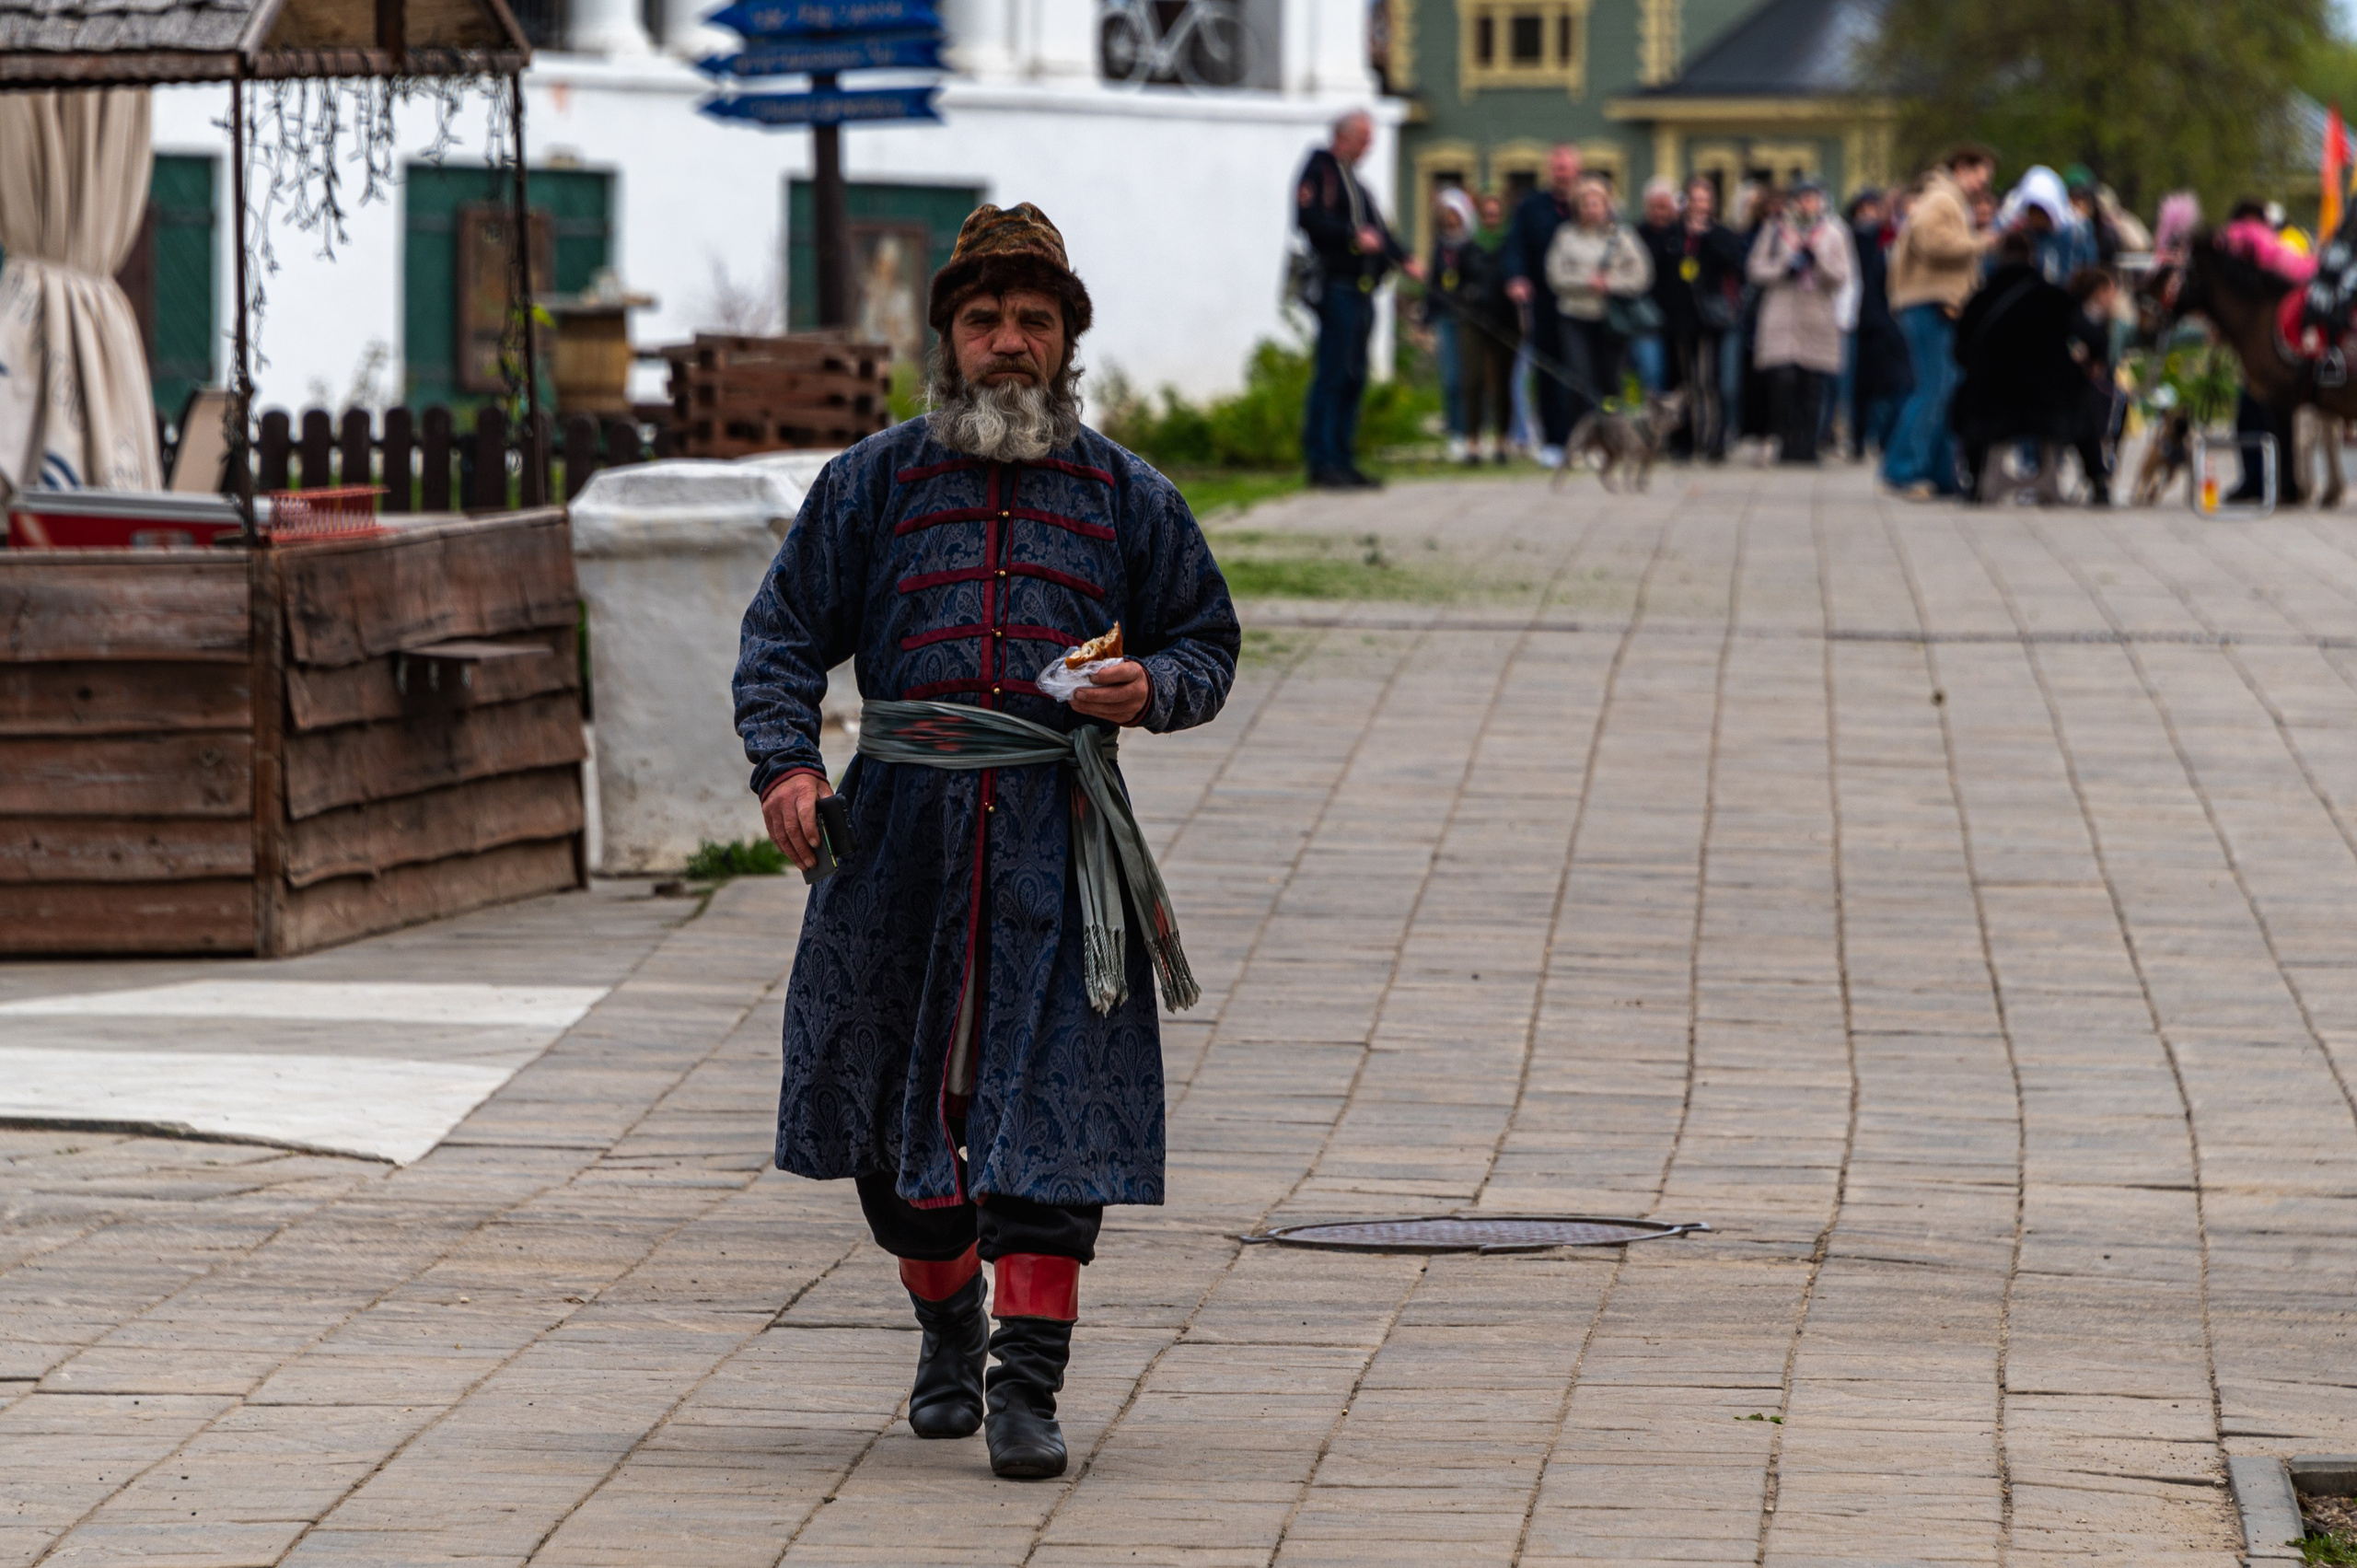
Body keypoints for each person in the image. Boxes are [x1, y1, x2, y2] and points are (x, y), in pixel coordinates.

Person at [733, 201, 1241, 1482]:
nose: (1007, 341)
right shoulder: (873, 483)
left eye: (1032, 320)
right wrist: (789, 763)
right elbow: (784, 632)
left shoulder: (1128, 495)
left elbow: (1203, 640)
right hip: (896, 831)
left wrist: (1152, 691)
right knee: (888, 1122)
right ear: (946, 339)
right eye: (983, 320)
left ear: (1066, 339)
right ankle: (947, 1317)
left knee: (1054, 1108)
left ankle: (1028, 1381)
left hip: (1061, 842)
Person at [1295, 110, 1416, 490]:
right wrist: (1351, 234)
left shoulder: (1356, 184)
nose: (1369, 147)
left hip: (1364, 292)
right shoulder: (1320, 171)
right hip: (1337, 288)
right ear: (1344, 136)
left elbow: (1378, 230)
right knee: (1332, 374)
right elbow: (1308, 219)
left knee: (1354, 376)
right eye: (1365, 139)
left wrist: (1405, 258)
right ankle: (1322, 461)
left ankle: (1344, 459)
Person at [1884, 143, 1998, 497]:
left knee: (1947, 390)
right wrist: (1980, 243)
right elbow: (1929, 239)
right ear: (1964, 167)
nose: (1982, 184)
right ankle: (1903, 470)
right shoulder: (1942, 198)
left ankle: (1941, 473)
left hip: (1937, 303)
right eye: (1981, 175)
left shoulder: (1948, 199)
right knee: (1933, 389)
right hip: (1929, 303)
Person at [1948, 229, 2082, 502]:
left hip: (1991, 404)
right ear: (2033, 257)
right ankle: (2098, 477)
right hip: (2050, 405)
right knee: (2085, 393)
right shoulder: (2053, 296)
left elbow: (1959, 350)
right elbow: (2091, 335)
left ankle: (1975, 477)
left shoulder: (1980, 299)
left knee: (1966, 396)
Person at [1747, 179, 1850, 464]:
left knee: (1812, 384)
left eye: (1813, 198)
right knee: (1782, 378)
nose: (1807, 204)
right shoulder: (1776, 230)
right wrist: (1783, 267)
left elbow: (1841, 276)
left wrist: (1816, 261)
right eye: (1802, 198)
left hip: (1816, 316)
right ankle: (1782, 437)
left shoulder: (1832, 233)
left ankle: (1807, 445)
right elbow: (1755, 267)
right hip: (1781, 314)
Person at [1543, 177, 1654, 438]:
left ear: (1607, 205)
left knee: (1611, 382)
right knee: (1579, 380)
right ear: (1578, 206)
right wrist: (1586, 282)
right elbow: (1555, 276)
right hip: (1575, 316)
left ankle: (1612, 437)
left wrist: (1611, 283)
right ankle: (1580, 438)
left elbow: (1642, 275)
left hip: (1611, 320)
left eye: (1597, 202)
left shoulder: (1623, 236)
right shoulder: (1565, 236)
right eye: (1586, 203)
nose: (1592, 208)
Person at [1504, 145, 1585, 462]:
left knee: (1581, 373)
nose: (1562, 173)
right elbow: (1515, 247)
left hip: (1583, 304)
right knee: (1549, 372)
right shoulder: (1531, 207)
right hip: (1545, 302)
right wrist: (1516, 278)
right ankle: (1554, 442)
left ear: (1578, 170)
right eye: (1557, 168)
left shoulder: (1592, 203)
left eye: (1567, 168)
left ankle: (1584, 439)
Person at [1671, 175, 1747, 460]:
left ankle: (1714, 439)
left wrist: (1705, 237)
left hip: (1713, 319)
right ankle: (1686, 439)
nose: (1700, 205)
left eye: (1705, 199)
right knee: (1686, 380)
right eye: (1695, 199)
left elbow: (1732, 266)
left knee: (1711, 382)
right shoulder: (1675, 233)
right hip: (1682, 318)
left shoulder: (1721, 234)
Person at [1453, 192, 1519, 463]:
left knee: (1504, 383)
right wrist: (1465, 295)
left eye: (1496, 214)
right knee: (1473, 380)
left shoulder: (1512, 246)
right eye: (1487, 214)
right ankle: (1472, 442)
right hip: (1474, 319)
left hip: (1506, 319)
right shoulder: (1468, 248)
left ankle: (1502, 441)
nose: (1491, 219)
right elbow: (1455, 282)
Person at [1847, 188, 1913, 460]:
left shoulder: (1907, 240)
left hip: (1900, 320)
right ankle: (1859, 438)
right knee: (1864, 385)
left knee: (1900, 384)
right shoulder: (1867, 238)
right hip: (1870, 321)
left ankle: (1890, 440)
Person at [1424, 187, 1480, 461]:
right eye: (1446, 216)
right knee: (1451, 379)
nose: (1450, 221)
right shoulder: (1440, 249)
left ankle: (1470, 432)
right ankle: (1455, 433)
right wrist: (1425, 319)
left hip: (1468, 319)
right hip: (1445, 317)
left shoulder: (1471, 247)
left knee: (1469, 378)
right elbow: (1432, 285)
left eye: (1454, 215)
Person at [2066, 265, 2121, 505]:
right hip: (2071, 397)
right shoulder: (2084, 318)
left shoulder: (2094, 318)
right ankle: (2099, 475)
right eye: (2112, 291)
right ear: (2100, 292)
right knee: (2088, 412)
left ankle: (2100, 472)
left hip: (2079, 394)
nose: (2115, 298)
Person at [1630, 178, 1683, 395]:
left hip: (1679, 320)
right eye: (1654, 207)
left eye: (1664, 207)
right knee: (1652, 377)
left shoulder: (1682, 235)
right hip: (1647, 318)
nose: (1659, 213)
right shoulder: (1636, 235)